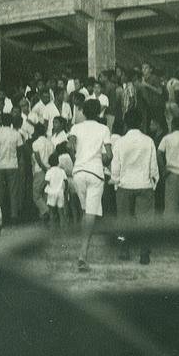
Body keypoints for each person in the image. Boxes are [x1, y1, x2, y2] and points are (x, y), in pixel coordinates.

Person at [111, 109, 158, 265]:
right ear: (140, 123)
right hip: (144, 184)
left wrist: (116, 181)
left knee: (124, 220)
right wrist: (153, 183)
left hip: (125, 185)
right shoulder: (148, 141)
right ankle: (144, 252)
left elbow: (115, 167)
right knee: (145, 221)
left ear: (125, 123)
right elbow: (153, 167)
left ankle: (124, 249)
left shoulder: (120, 142)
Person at [70, 99, 112, 272]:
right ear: (99, 112)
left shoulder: (76, 127)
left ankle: (82, 249)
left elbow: (70, 146)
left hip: (78, 172)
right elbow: (109, 155)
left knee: (85, 211)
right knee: (91, 215)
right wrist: (99, 159)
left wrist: (79, 159)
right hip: (95, 173)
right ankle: (82, 255)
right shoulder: (104, 129)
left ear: (84, 112)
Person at [0, 112, 24, 224]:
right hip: (12, 165)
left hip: (0, 165)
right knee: (13, 191)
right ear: (11, 122)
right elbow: (20, 152)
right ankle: (14, 216)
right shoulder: (16, 134)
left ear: (1, 121)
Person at [30, 122, 55, 224]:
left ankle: (46, 211)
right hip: (50, 169)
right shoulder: (50, 143)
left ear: (36, 131)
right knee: (45, 194)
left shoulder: (35, 143)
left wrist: (44, 169)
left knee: (36, 195)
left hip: (40, 170)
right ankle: (44, 216)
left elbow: (38, 159)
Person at [44, 155, 68, 229]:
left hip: (52, 192)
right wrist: (65, 190)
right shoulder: (62, 171)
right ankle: (63, 227)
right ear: (58, 162)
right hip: (60, 192)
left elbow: (47, 181)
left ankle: (52, 227)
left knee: (52, 211)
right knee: (61, 212)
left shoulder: (49, 171)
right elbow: (65, 181)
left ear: (49, 163)